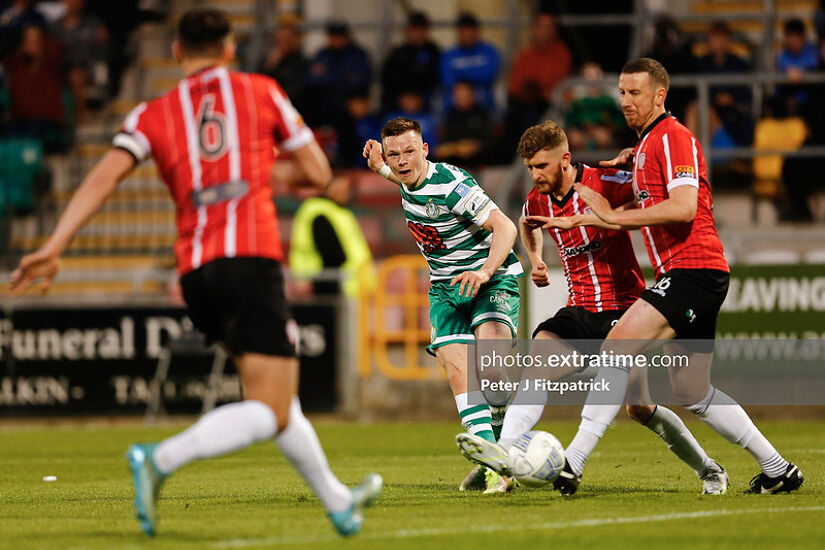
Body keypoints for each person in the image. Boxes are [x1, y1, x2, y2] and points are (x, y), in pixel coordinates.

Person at [9, 8, 381, 537]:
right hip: (249, 258)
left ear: (178, 52)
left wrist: (54, 244)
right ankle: (159, 458)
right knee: (270, 408)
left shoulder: (151, 112)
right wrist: (264, 168)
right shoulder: (260, 90)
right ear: (230, 49)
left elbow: (103, 178)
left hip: (196, 272)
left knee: (278, 394)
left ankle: (338, 501)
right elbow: (319, 173)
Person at [558, 57, 802, 495]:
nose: (626, 101)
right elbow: (640, 204)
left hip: (694, 269)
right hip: (692, 273)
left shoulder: (673, 137)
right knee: (691, 389)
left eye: (635, 93)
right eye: (622, 92)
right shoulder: (649, 144)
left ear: (659, 95)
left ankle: (571, 463)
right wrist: (600, 208)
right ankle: (778, 469)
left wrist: (613, 216)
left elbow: (684, 206)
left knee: (616, 347)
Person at [454, 120, 728, 495]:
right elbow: (525, 221)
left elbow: (653, 192)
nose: (535, 175)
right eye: (530, 167)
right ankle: (502, 461)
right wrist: (534, 258)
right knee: (537, 369)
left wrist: (628, 166)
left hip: (625, 310)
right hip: (579, 311)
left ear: (565, 159)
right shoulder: (537, 198)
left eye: (542, 166)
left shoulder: (607, 186)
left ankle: (708, 469)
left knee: (640, 409)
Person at [362, 117, 523, 494]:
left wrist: (484, 272)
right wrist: (377, 165)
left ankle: (493, 451)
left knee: (495, 374)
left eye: (409, 152)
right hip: (445, 289)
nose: (402, 161)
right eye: (394, 154)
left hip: (490, 280)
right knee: (459, 377)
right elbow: (395, 175)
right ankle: (495, 469)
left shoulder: (452, 184)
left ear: (425, 151)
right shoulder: (403, 176)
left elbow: (506, 227)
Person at [289, 174, 376, 296]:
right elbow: (333, 255)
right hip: (329, 287)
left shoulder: (337, 212)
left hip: (346, 288)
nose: (342, 192)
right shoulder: (319, 212)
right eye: (338, 186)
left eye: (346, 189)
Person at [380, 10, 440, 113]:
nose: (418, 34)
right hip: (400, 100)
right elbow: (387, 79)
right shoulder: (398, 53)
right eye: (415, 30)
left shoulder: (433, 51)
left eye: (422, 30)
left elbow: (437, 79)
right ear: (408, 31)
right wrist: (402, 98)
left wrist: (419, 98)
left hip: (425, 99)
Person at [440, 12, 500, 113]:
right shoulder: (449, 54)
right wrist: (469, 83)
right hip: (455, 102)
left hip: (483, 100)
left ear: (477, 31)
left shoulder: (489, 51)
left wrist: (464, 80)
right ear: (458, 32)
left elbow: (489, 75)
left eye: (471, 30)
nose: (468, 34)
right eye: (464, 30)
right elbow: (447, 81)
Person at [435, 81, 493, 169]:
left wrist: (475, 146)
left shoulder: (482, 114)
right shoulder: (450, 116)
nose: (461, 96)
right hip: (454, 164)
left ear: (472, 94)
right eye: (458, 93)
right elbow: (443, 148)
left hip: (481, 163)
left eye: (464, 92)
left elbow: (490, 141)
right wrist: (457, 148)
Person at [257, 14, 307, 108]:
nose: (283, 43)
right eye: (281, 39)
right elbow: (259, 84)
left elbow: (295, 93)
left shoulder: (302, 63)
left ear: (296, 38)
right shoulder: (269, 60)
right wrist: (270, 66)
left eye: (287, 39)